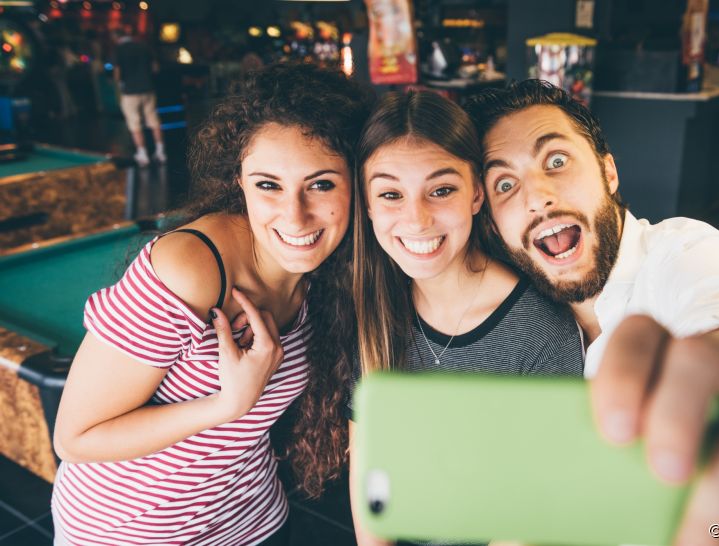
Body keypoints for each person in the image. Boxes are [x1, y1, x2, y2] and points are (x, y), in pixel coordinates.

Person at [464, 80, 719, 543]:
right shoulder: (522, 317)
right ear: (493, 223)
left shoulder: (687, 252)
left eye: (556, 161)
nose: (537, 196)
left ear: (609, 173)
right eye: (505, 184)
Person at [51, 63, 370, 546]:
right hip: (130, 530)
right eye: (268, 185)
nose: (295, 214)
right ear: (239, 182)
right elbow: (75, 439)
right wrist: (228, 404)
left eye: (321, 184)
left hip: (252, 517)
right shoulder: (191, 268)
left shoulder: (334, 269)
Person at [349, 90, 584, 546]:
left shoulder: (539, 332)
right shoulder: (379, 310)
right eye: (391, 194)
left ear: (476, 193)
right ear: (369, 204)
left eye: (441, 190)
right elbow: (368, 469)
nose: (416, 220)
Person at [113, 25, 166, 167]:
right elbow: (155, 68)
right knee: (154, 121)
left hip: (130, 91)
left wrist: (118, 84)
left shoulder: (119, 50)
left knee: (134, 123)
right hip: (148, 88)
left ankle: (142, 154)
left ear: (116, 38)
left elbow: (117, 73)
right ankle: (160, 152)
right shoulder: (144, 47)